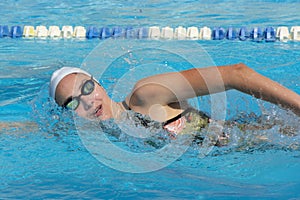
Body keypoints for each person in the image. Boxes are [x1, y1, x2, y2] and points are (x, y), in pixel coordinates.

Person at [49, 63, 300, 143]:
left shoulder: (144, 96)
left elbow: (236, 74)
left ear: (99, 83)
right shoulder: (107, 133)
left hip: (273, 139)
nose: (88, 103)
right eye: (72, 103)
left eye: (88, 88)